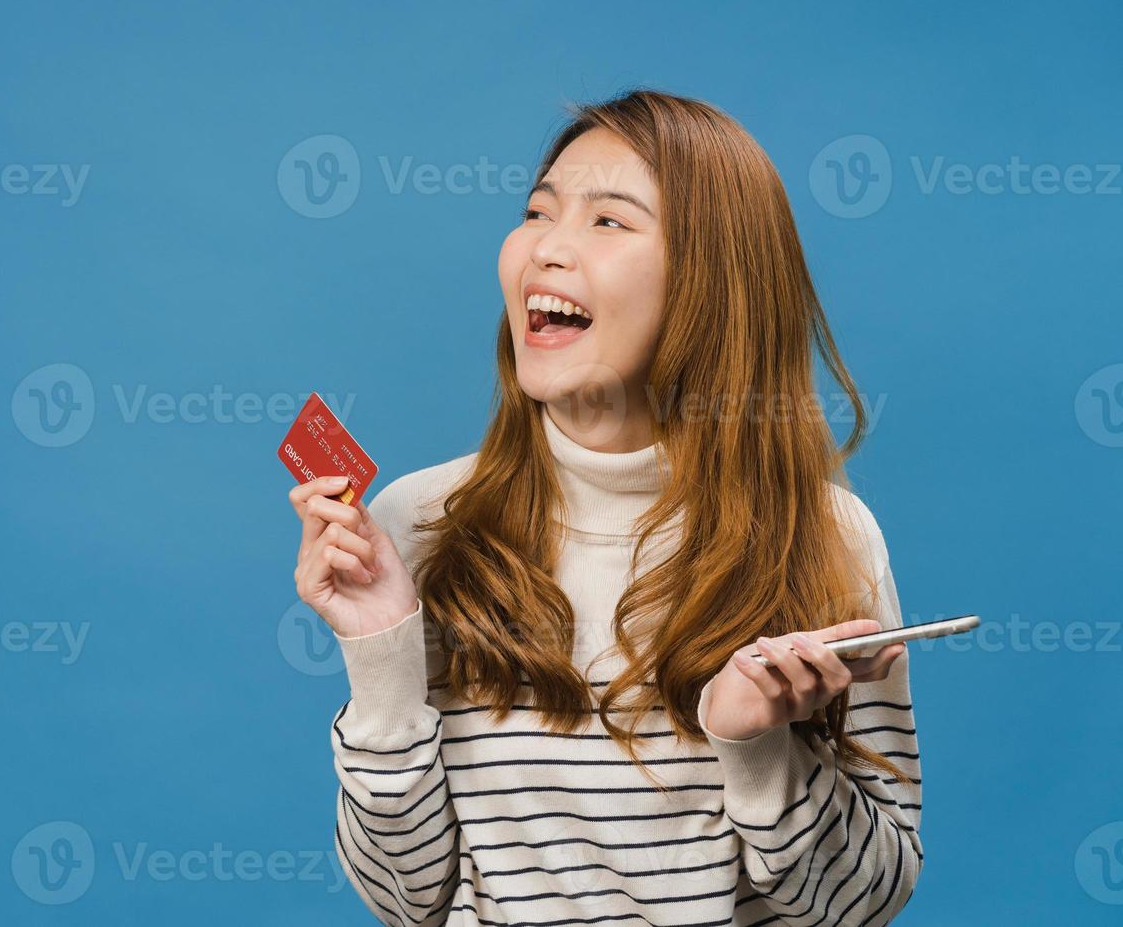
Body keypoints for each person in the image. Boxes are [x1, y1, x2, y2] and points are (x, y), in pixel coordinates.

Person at [288, 88, 921, 926]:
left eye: (608, 221)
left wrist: (756, 747)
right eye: (538, 211)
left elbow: (864, 905)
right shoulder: (421, 522)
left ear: (712, 279)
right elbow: (407, 900)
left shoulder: (828, 540)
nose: (545, 248)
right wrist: (382, 661)